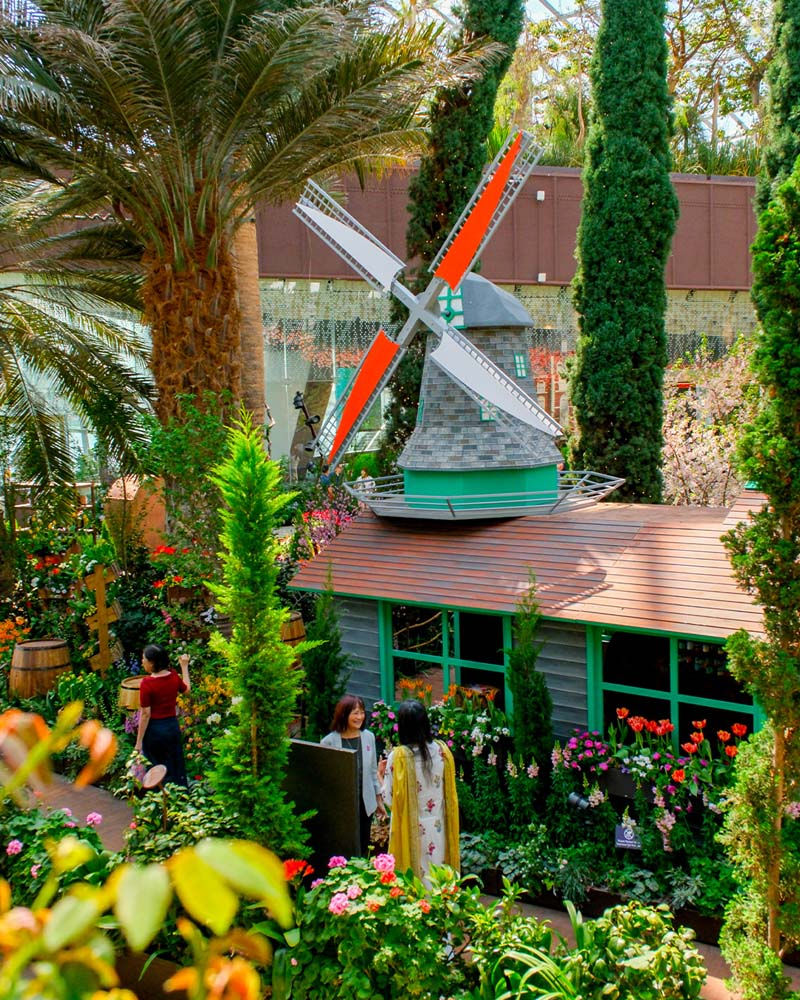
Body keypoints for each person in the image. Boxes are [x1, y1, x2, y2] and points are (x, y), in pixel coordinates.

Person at [379, 700, 459, 880]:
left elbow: (390, 800)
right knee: (437, 877)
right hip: (439, 826)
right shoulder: (442, 751)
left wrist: (380, 775)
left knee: (416, 882)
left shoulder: (398, 757)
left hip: (411, 830)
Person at [321, 694, 384, 854]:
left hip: (365, 803)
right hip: (342, 805)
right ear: (344, 715)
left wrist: (378, 800)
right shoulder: (329, 742)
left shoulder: (368, 737)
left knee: (363, 846)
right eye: (355, 713)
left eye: (362, 712)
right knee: (343, 847)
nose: (360, 717)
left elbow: (372, 772)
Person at [135, 644, 191, 786]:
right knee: (175, 763)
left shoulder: (147, 684)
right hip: (172, 727)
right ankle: (179, 798)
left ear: (152, 662)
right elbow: (187, 690)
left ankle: (160, 801)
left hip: (155, 731)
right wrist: (184, 667)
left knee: (156, 768)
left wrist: (139, 741)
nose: (142, 661)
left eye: (144, 659)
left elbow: (145, 714)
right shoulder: (173, 676)